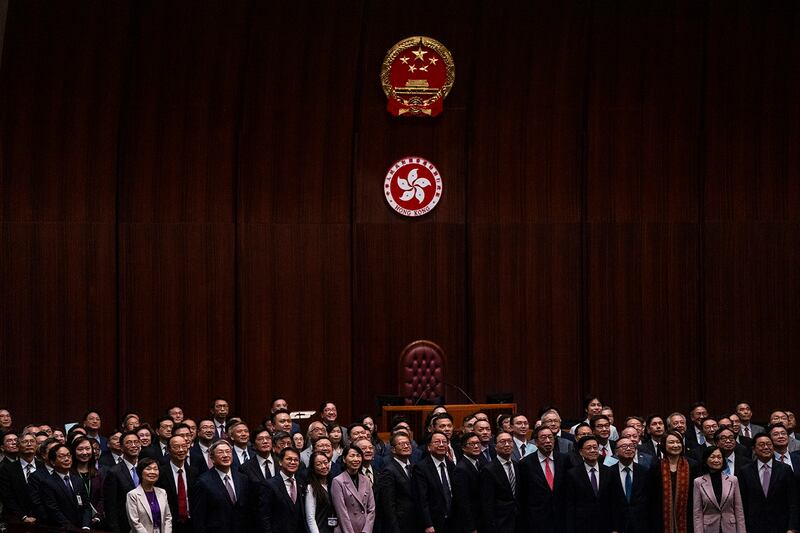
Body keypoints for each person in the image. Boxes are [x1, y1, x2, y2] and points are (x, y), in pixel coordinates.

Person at [737, 432, 799, 533]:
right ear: (754, 449)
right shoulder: (745, 471)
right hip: (754, 527)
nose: (766, 447)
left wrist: (792, 528)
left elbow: (793, 501)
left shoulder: (785, 469)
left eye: (769, 444)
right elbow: (742, 503)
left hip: (781, 526)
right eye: (761, 445)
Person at [191, 439, 253, 533]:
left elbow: (247, 509)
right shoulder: (203, 482)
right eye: (220, 452)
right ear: (212, 458)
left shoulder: (242, 478)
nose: (225, 455)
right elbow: (199, 517)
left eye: (228, 452)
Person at [518, 425, 570, 533]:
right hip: (536, 520)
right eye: (543, 438)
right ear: (536, 442)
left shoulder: (564, 459)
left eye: (550, 437)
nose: (547, 441)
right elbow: (523, 494)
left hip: (561, 519)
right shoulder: (525, 463)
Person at [647, 430, 697, 533]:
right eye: (671, 442)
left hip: (688, 517)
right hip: (661, 519)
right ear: (664, 445)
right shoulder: (656, 466)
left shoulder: (693, 465)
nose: (675, 445)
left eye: (678, 442)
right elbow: (651, 496)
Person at [692, 446, 745, 533]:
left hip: (730, 528)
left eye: (719, 457)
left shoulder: (733, 480)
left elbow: (739, 510)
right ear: (706, 460)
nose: (716, 460)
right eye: (712, 457)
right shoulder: (698, 482)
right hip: (709, 528)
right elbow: (697, 513)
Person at [39, 444, 92, 528]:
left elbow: (86, 506)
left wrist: (86, 526)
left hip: (82, 528)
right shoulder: (47, 483)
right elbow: (53, 510)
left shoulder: (78, 480)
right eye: (62, 456)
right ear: (53, 462)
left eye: (68, 455)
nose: (67, 459)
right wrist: (71, 529)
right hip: (62, 529)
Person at [376, 431, 418, 533]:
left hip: (415, 522)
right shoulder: (388, 471)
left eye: (408, 443)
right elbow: (388, 504)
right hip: (399, 524)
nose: (406, 446)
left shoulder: (415, 467)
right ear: (393, 449)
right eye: (401, 444)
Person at [257, 446, 306, 533]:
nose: (293, 462)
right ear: (280, 462)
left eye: (296, 460)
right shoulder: (269, 485)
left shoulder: (301, 482)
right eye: (289, 459)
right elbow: (264, 517)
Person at [156, 434, 198, 533]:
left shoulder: (194, 472)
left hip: (191, 523)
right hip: (169, 524)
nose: (181, 450)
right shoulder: (161, 473)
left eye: (184, 446)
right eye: (176, 447)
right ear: (168, 450)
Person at [480, 431, 520, 533]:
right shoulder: (488, 469)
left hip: (518, 519)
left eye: (509, 441)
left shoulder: (517, 465)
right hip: (500, 522)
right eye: (502, 442)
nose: (507, 444)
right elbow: (487, 502)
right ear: (495, 446)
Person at [105, 429, 143, 533]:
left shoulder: (146, 468)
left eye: (136, 442)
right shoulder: (114, 472)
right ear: (121, 447)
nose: (134, 445)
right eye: (129, 443)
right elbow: (110, 506)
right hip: (125, 525)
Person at [331, 444, 375, 533]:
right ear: (344, 459)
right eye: (352, 456)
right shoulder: (337, 481)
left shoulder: (366, 480)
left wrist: (366, 531)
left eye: (358, 456)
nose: (356, 459)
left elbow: (371, 509)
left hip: (364, 529)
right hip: (346, 529)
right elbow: (341, 513)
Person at [127, 457, 172, 533]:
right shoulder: (132, 495)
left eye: (155, 469)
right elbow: (135, 522)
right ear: (140, 472)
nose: (152, 472)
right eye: (148, 469)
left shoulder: (162, 492)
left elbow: (168, 517)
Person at [71, 435, 105, 528]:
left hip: (96, 521)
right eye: (80, 449)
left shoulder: (99, 473)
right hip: (75, 521)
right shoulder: (69, 474)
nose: (85, 452)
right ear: (73, 451)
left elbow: (102, 497)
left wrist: (98, 516)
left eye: (87, 448)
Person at [305, 451, 336, 533]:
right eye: (319, 464)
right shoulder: (311, 488)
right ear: (313, 467)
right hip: (320, 529)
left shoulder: (333, 484)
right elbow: (310, 517)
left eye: (326, 463)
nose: (324, 466)